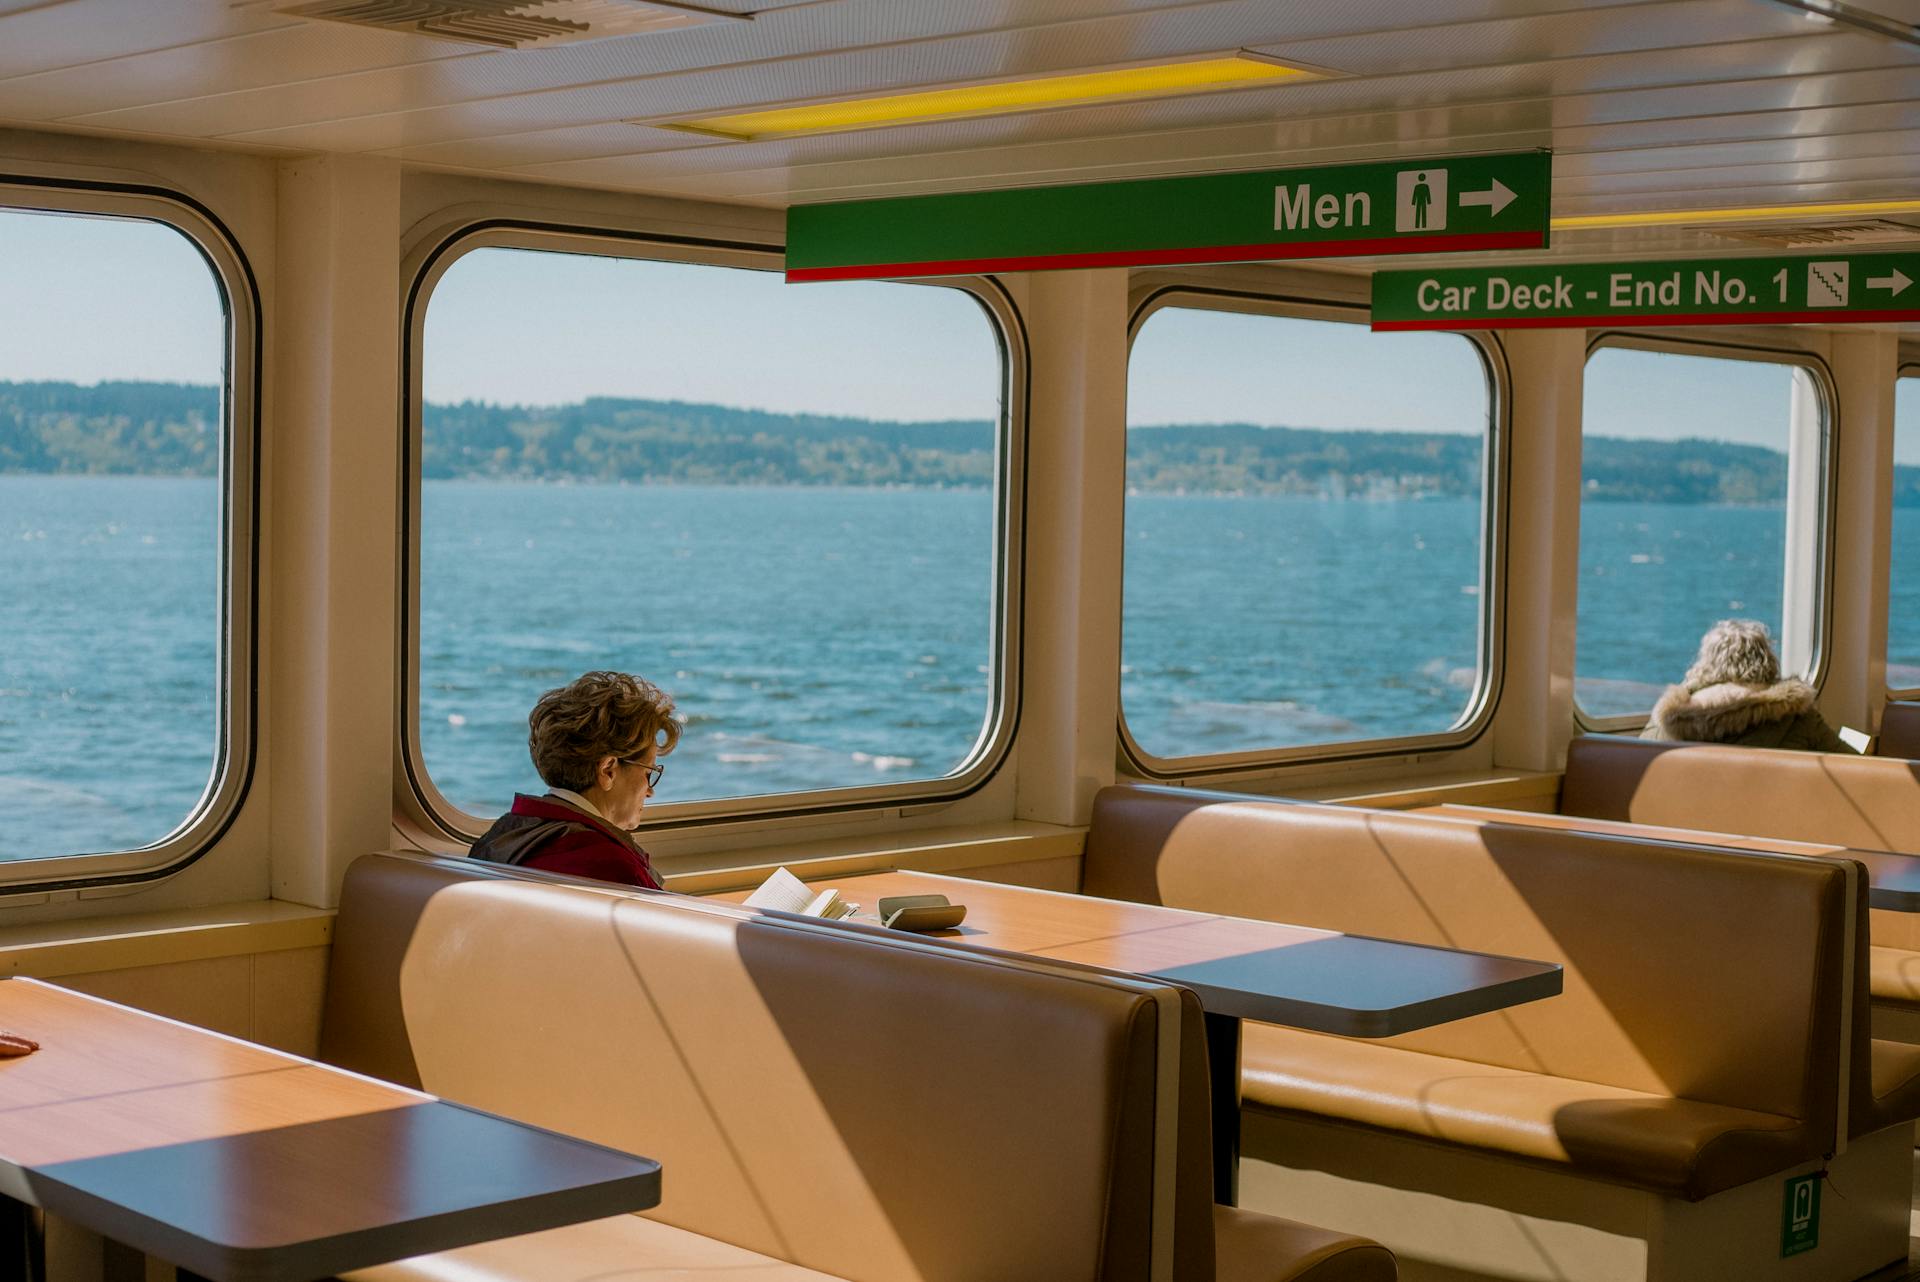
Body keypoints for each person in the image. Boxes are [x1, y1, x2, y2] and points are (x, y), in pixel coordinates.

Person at [468, 670, 681, 888]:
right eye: (648, 773)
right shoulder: (614, 870)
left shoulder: (500, 838)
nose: (650, 791)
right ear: (608, 770)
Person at [1641, 618, 1852, 752]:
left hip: (1680, 820)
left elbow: (1639, 757)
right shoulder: (1796, 717)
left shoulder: (1668, 718)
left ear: (1705, 661)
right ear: (1767, 660)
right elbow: (1850, 765)